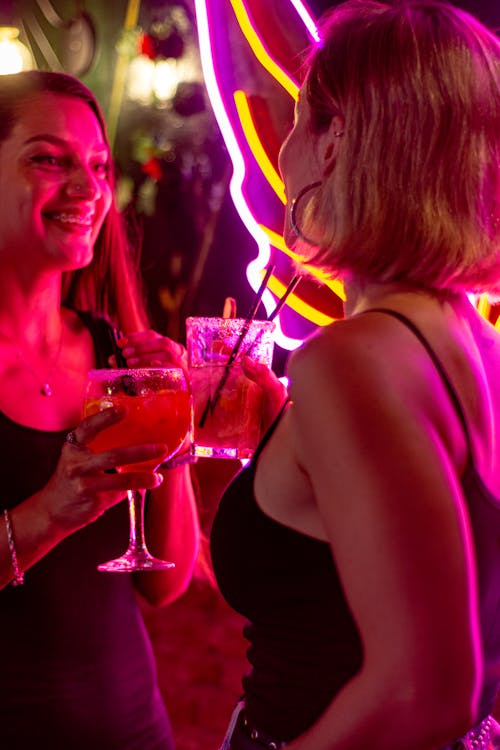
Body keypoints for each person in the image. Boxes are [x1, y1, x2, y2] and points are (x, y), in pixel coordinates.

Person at [211, 1, 500, 748]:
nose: (280, 140)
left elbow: (424, 690)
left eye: (298, 114)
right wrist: (289, 441)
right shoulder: (464, 334)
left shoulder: (349, 360)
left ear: (336, 140)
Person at [0, 70, 199, 749]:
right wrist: (49, 510)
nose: (87, 190)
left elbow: (165, 584)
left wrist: (175, 430)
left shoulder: (114, 350)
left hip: (135, 729)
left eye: (99, 166)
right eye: (49, 160)